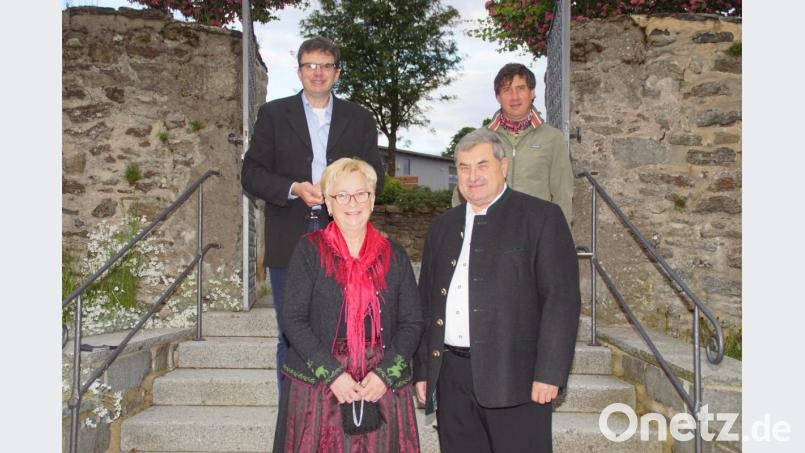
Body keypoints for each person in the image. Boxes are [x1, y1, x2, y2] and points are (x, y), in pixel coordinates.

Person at [414, 129, 581, 453]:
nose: (472, 176)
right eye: (463, 167)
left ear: (502, 166)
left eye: (482, 164)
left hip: (517, 378)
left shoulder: (541, 217)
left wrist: (550, 373)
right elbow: (427, 304)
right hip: (451, 378)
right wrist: (423, 370)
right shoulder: (442, 227)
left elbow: (560, 300)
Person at [241, 36, 384, 388]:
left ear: (337, 73)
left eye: (326, 66)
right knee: (292, 332)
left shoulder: (360, 118)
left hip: (348, 238)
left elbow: (375, 173)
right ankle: (293, 420)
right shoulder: (273, 115)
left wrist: (345, 195)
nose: (317, 73)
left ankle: (336, 417)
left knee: (345, 328)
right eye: (310, 66)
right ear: (299, 71)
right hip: (290, 237)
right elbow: (251, 174)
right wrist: (294, 188)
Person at [273, 158, 423, 452]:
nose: (351, 202)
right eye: (341, 195)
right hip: (319, 384)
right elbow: (293, 318)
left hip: (380, 382)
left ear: (372, 199)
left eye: (360, 194)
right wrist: (333, 375)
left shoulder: (395, 254)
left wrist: (386, 374)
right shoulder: (309, 250)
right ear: (328, 203)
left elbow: (413, 321)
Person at [452, 63, 574, 225]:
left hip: (535, 233)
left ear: (532, 92)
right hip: (489, 231)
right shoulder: (478, 139)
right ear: (498, 97)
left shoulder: (552, 139)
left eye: (521, 88)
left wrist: (560, 240)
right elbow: (461, 193)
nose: (514, 96)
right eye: (507, 90)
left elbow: (562, 196)